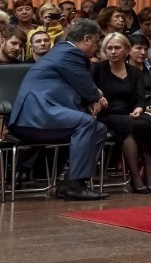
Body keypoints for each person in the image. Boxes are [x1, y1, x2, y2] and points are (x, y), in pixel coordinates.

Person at [8, 19, 109, 200]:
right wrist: (98, 97)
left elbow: (73, 88)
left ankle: (69, 182)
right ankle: (75, 187)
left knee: (99, 129)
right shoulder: (70, 53)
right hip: (35, 116)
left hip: (44, 116)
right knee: (86, 122)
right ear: (86, 39)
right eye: (96, 41)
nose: (97, 46)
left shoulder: (62, 50)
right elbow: (86, 87)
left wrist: (90, 98)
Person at [92, 33, 151, 193]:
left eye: (117, 48)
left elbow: (140, 98)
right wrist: (98, 95)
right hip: (108, 114)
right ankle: (136, 178)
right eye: (109, 48)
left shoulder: (134, 72)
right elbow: (87, 89)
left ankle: (149, 177)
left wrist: (139, 109)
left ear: (126, 50)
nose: (113, 52)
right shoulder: (97, 69)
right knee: (131, 127)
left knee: (148, 123)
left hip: (131, 112)